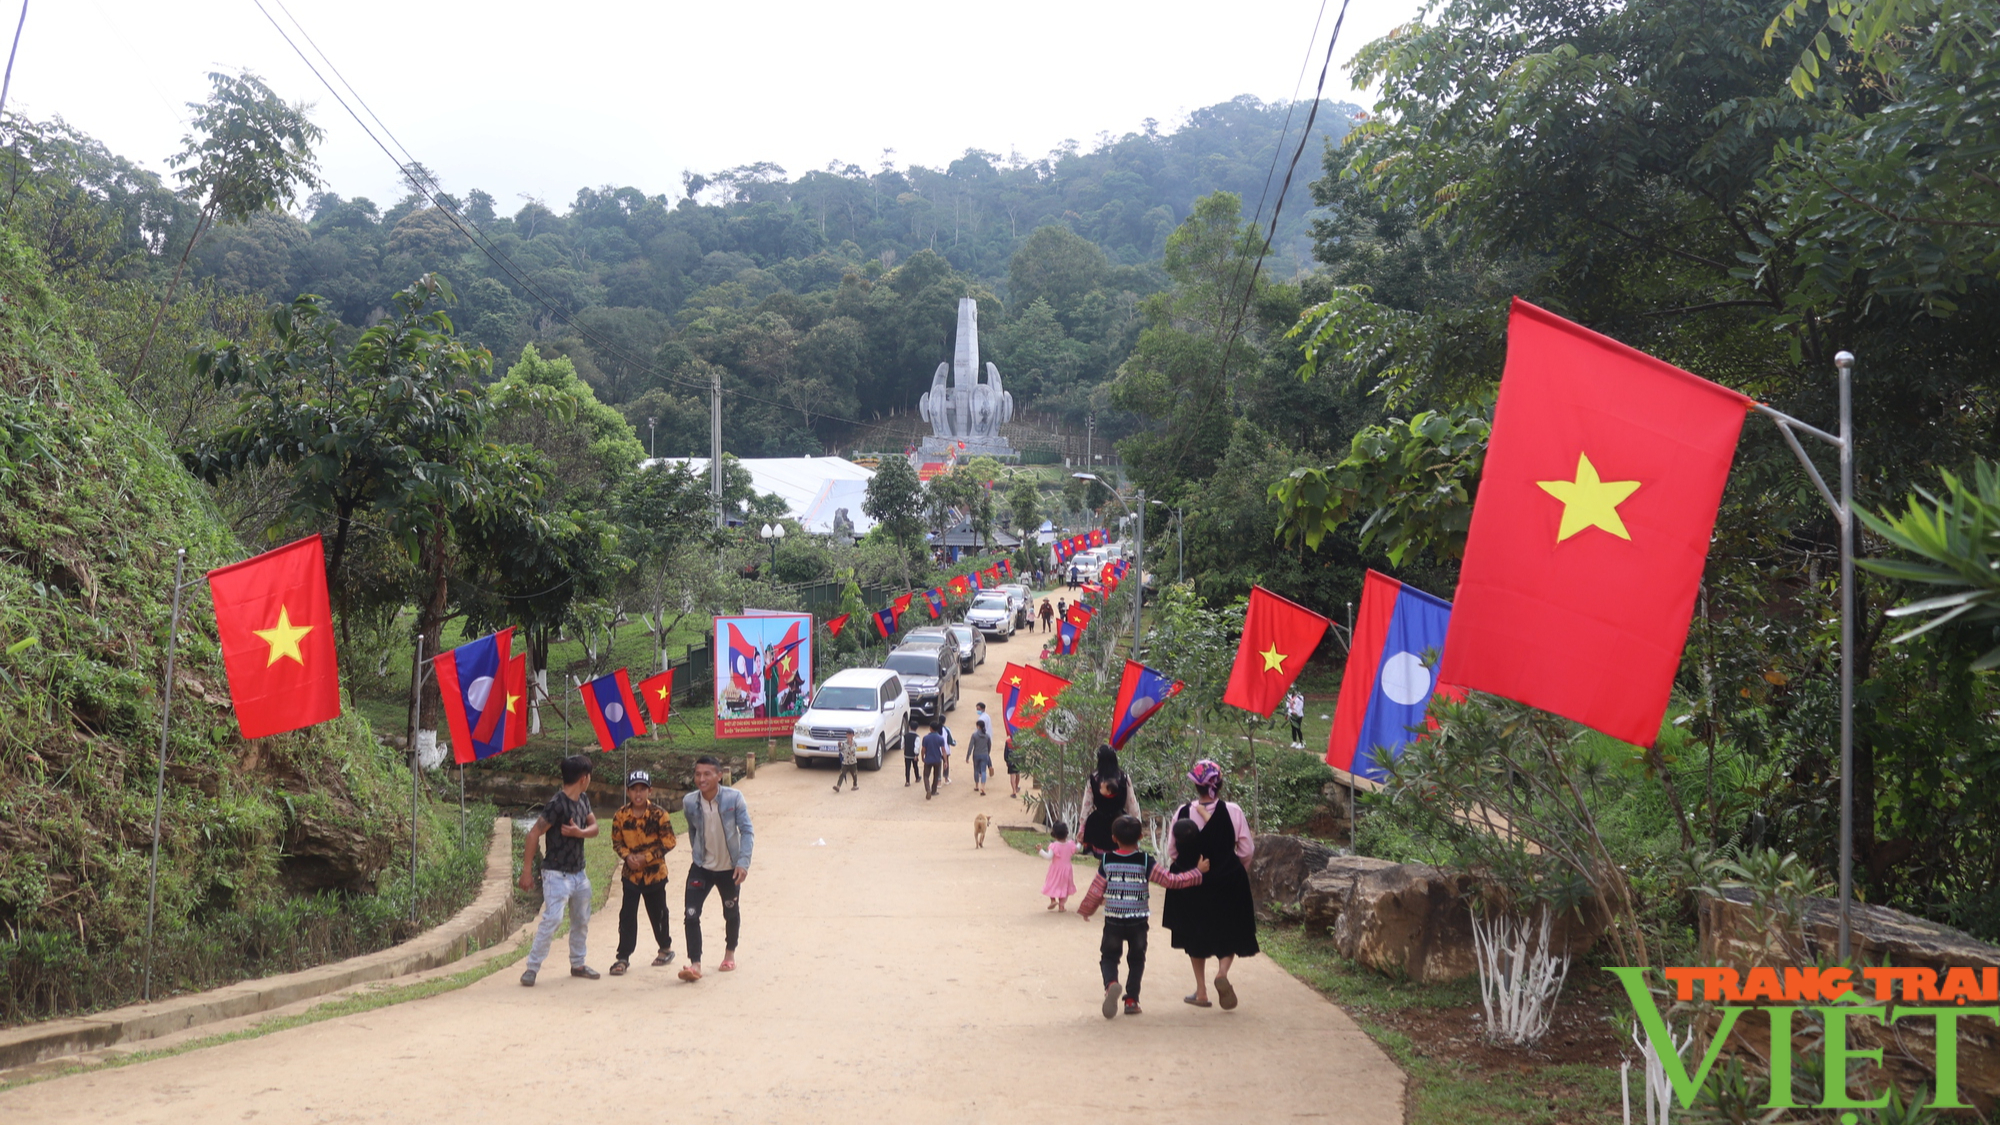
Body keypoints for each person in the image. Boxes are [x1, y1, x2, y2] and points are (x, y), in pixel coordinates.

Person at [1076, 815, 1207, 1018]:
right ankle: (1131, 1000)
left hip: (1113, 919)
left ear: (1113, 838)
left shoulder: (1107, 860)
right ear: (1141, 836)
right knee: (1136, 960)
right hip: (1138, 921)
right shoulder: (1145, 861)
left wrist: (1088, 909)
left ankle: (1111, 984)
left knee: (1109, 957)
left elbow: (1097, 889)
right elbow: (1170, 881)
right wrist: (1197, 873)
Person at [1170, 759, 1260, 1011]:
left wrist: (1191, 868)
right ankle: (1222, 972)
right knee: (1228, 930)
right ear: (1219, 784)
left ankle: (1200, 991)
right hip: (1228, 881)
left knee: (1195, 934)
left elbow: (1172, 851)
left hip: (1193, 884)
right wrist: (1232, 869)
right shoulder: (1234, 812)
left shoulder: (1182, 812)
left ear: (1196, 786)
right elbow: (1247, 849)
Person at [518, 755, 600, 986]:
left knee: (581, 919)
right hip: (556, 873)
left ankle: (578, 963)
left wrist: (579, 833)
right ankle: (532, 967)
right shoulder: (557, 805)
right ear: (584, 778)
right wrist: (526, 871)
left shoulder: (583, 800)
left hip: (579, 873)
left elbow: (594, 827)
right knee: (553, 918)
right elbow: (533, 833)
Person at [678, 756, 754, 982]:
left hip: (729, 869)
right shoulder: (690, 802)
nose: (701, 779)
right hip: (701, 867)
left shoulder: (734, 798)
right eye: (698, 774)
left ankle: (729, 954)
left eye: (707, 774)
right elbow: (692, 831)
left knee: (730, 911)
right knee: (691, 914)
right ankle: (695, 964)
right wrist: (697, 854)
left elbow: (747, 831)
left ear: (719, 776)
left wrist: (743, 862)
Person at [609, 769, 677, 976]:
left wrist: (645, 858)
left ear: (650, 791)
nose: (638, 794)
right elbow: (617, 841)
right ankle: (623, 957)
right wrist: (627, 856)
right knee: (627, 915)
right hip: (631, 875)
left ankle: (665, 948)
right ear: (628, 792)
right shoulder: (620, 815)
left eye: (642, 790)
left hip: (654, 874)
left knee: (658, 913)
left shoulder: (659, 815)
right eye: (634, 790)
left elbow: (670, 841)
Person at [1078, 745, 1142, 856]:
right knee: (1119, 855)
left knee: (1102, 859)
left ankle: (1102, 872)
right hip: (1120, 824)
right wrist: (1137, 825)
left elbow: (1086, 805)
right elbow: (1131, 803)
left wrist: (1082, 826)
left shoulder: (1093, 779)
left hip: (1098, 824)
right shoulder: (1124, 778)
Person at [1039, 819, 1078, 910]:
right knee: (1064, 886)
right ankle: (1061, 905)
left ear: (1054, 834)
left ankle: (1053, 900)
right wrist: (1080, 842)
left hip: (1055, 870)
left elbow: (1049, 857)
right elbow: (1077, 849)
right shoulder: (1070, 844)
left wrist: (1040, 850)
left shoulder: (1054, 846)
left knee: (1052, 884)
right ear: (1066, 833)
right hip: (1067, 870)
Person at [920, 723, 946, 798]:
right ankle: (934, 790)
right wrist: (945, 761)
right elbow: (943, 750)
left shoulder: (926, 738)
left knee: (926, 775)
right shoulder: (940, 738)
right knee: (936, 775)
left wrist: (922, 757)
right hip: (937, 759)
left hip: (928, 759)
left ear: (930, 728)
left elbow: (923, 749)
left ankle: (928, 789)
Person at [968, 722, 993, 796]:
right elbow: (989, 746)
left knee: (976, 770)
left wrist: (968, 756)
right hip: (984, 754)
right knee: (983, 771)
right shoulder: (987, 736)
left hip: (976, 754)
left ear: (978, 727)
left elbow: (970, 746)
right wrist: (987, 753)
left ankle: (976, 785)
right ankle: (983, 787)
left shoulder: (974, 735)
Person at [902, 715, 923, 788]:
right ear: (917, 728)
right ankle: (917, 777)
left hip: (907, 754)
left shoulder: (905, 735)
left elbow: (902, 744)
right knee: (915, 766)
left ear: (910, 727)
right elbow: (916, 747)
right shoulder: (916, 737)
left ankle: (907, 781)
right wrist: (916, 755)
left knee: (907, 768)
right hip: (913, 755)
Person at [1004, 734, 1023, 798]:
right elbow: (1023, 752)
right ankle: (1016, 786)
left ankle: (1014, 790)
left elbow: (1006, 752)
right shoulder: (1020, 741)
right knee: (1017, 774)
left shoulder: (1008, 742)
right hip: (1018, 760)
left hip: (1011, 760)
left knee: (1012, 776)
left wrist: (1006, 760)